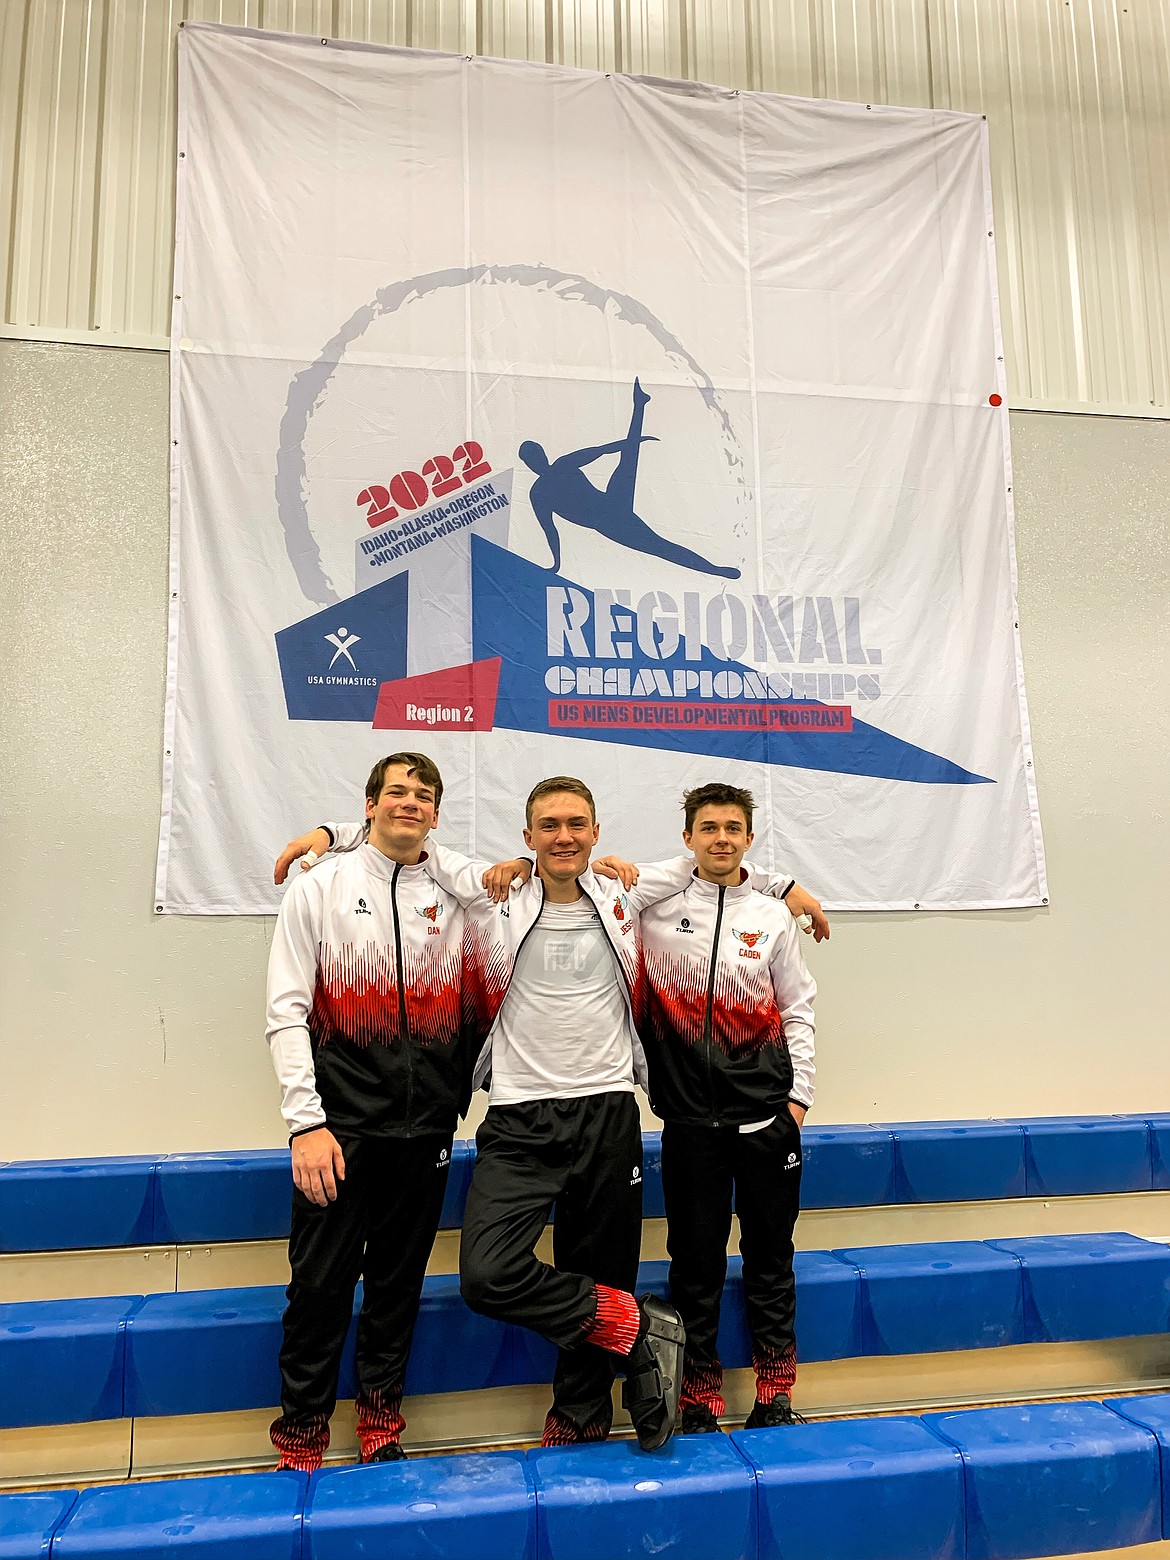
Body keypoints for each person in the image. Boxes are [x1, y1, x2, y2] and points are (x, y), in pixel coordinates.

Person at [264, 751, 526, 1471]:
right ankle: (302, 1432)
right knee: (318, 1287)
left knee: (396, 1286)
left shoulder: (453, 891)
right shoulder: (318, 887)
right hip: (337, 1132)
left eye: (423, 795)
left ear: (437, 814)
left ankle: (380, 1420)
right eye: (396, 793)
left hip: (425, 1129)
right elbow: (286, 1014)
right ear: (370, 804)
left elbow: (507, 884)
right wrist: (305, 1123)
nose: (409, 804)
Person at [636, 781, 816, 1433]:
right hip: (690, 1125)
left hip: (768, 1123)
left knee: (771, 1260)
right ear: (687, 838)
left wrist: (797, 1101)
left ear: (748, 836)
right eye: (707, 828)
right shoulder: (655, 909)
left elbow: (798, 1009)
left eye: (733, 827)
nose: (721, 838)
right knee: (697, 1266)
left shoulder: (769, 917)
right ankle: (700, 1397)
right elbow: (601, 888)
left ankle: (775, 1394)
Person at [519, 378, 741, 579]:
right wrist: (557, 563)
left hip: (612, 502)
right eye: (533, 459)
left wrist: (632, 441)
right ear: (529, 464)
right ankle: (713, 569)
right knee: (661, 547)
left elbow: (601, 450)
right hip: (609, 523)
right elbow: (550, 530)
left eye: (538, 456)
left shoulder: (563, 465)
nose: (538, 461)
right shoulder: (538, 493)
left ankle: (640, 404)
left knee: (628, 459)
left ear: (543, 455)